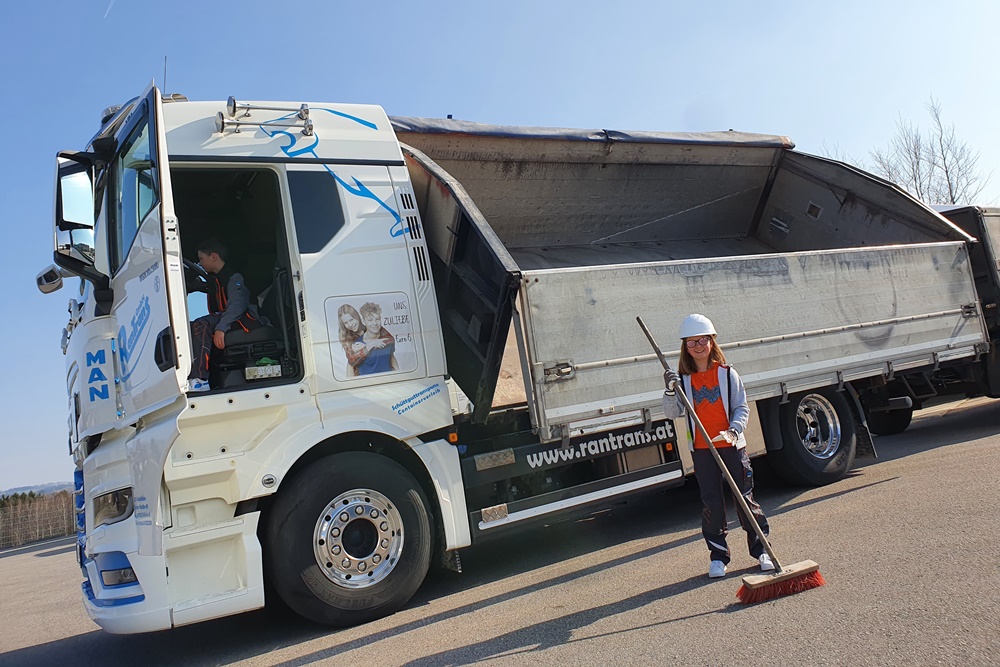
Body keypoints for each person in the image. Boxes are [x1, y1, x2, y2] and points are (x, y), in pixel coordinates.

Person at [661, 313, 773, 579]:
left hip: (731, 446)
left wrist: (733, 431)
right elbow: (672, 412)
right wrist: (668, 390)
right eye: (691, 342)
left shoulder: (727, 373)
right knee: (712, 503)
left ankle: (762, 550)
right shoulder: (682, 380)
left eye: (703, 340)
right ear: (685, 347)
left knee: (745, 499)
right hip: (701, 450)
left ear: (712, 342)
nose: (698, 346)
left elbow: (741, 407)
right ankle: (718, 557)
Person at [187, 239, 268, 392]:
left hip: (243, 319)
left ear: (213, 257)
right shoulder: (215, 280)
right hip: (228, 318)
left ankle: (199, 379)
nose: (200, 263)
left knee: (201, 324)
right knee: (192, 326)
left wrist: (221, 328)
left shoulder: (234, 277)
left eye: (201, 259)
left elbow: (237, 305)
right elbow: (202, 286)